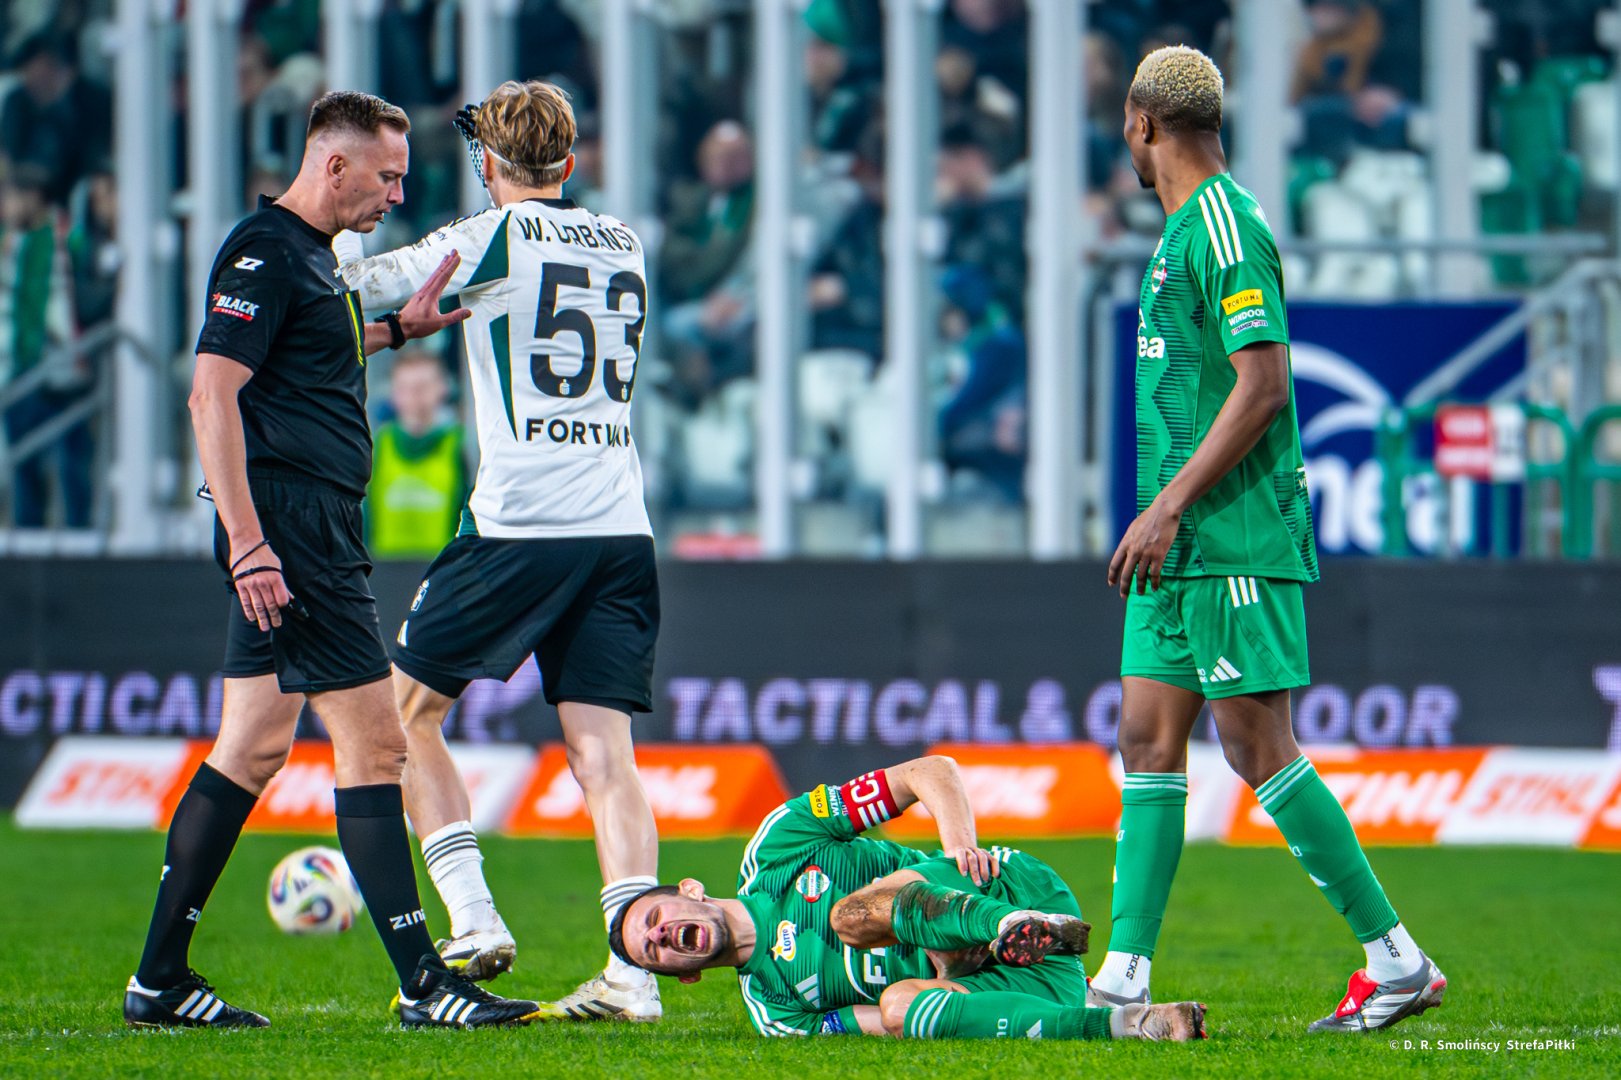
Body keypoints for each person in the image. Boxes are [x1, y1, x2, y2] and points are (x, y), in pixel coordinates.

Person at [123, 90, 540, 1031]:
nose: (397, 193)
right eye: (386, 176)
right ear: (334, 164)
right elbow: (210, 396)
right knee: (379, 744)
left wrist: (396, 332)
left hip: (302, 527)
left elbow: (305, 360)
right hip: (292, 531)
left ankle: (160, 981)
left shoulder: (315, 260)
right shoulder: (266, 251)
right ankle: (425, 983)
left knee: (252, 747)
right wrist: (250, 543)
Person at [1097, 45, 1446, 1034]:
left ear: (1142, 124)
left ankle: (1397, 962)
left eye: (1124, 128)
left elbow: (1264, 384)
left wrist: (1169, 503)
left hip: (1230, 534)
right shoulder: (1181, 231)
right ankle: (1122, 975)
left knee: (1256, 744)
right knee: (1145, 738)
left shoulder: (1225, 225)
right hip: (1177, 546)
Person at [334, 80, 663, 1022]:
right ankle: (633, 975)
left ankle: (473, 917)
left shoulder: (490, 235)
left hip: (522, 523)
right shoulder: (624, 240)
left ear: (487, 163)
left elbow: (357, 290)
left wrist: (346, 230)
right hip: (620, 526)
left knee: (404, 717)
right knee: (604, 755)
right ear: (569, 161)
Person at [608, 755, 1209, 1042]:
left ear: (690, 889)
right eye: (653, 950)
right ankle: (1132, 1023)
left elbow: (929, 772)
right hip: (1018, 987)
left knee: (849, 916)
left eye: (654, 918)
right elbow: (888, 1028)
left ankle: (1014, 923)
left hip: (1003, 887)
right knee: (899, 1006)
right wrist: (948, 979)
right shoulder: (776, 1011)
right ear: (684, 976)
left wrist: (961, 848)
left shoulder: (778, 845)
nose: (660, 935)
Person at [1, 163, 87, 527]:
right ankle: (28, 534)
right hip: (18, 369)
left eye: (10, 198)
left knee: (70, 464)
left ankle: (80, 534)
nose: (5, 207)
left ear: (33, 197)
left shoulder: (67, 237)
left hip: (60, 369)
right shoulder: (9, 242)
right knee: (24, 465)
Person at [365, 349, 466, 561]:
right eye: (405, 388)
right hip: (384, 570)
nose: (414, 396)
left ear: (443, 387)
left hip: (442, 567)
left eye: (422, 386)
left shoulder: (461, 446)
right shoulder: (376, 447)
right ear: (393, 393)